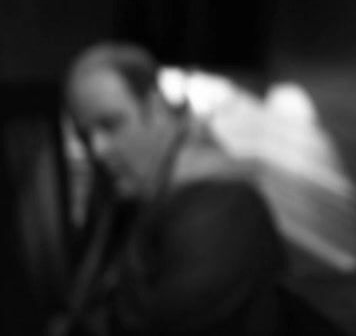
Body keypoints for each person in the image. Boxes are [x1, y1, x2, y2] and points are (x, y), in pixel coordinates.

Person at [54, 42, 288, 336]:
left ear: (154, 107)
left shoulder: (221, 207)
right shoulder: (134, 192)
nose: (98, 149)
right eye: (85, 135)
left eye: (111, 125)